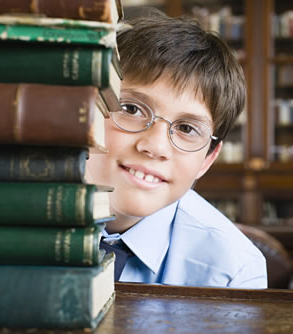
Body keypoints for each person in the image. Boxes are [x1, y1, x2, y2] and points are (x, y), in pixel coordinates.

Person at [85, 10, 267, 288]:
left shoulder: (232, 270)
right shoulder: (11, 208)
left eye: (187, 129)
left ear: (207, 159)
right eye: (130, 109)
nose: (155, 146)